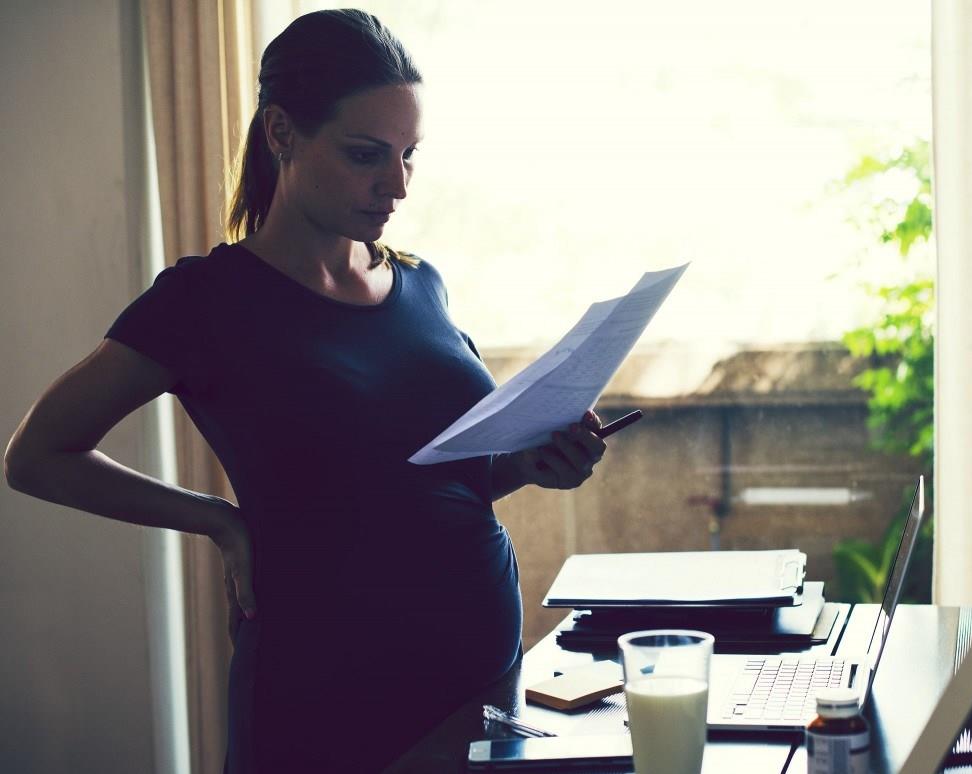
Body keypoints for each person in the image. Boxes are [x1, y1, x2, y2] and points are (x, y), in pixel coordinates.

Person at [3, 9, 607, 772]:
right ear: (283, 134)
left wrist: (536, 460)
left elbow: (455, 478)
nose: (397, 185)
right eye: (366, 156)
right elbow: (37, 456)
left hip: (479, 666)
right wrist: (220, 521)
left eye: (409, 156)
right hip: (326, 687)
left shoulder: (422, 284)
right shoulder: (204, 301)